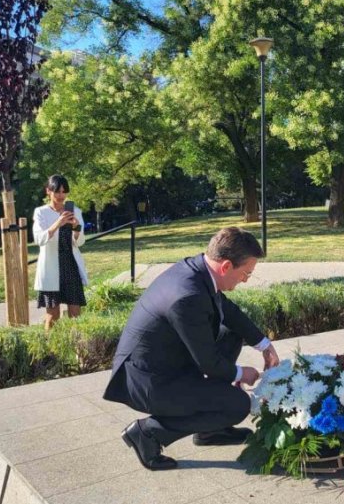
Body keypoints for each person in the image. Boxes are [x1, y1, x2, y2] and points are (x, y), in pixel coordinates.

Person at [103, 227, 280, 471]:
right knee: (238, 404)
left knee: (231, 333)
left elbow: (226, 310)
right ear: (226, 266)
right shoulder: (187, 296)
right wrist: (242, 374)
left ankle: (210, 430)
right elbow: (208, 362)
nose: (246, 279)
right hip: (151, 382)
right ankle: (148, 433)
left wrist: (264, 345)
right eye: (246, 273)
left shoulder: (198, 270)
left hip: (165, 363)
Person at [32, 175, 88, 331]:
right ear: (48, 191)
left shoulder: (75, 211)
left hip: (70, 265)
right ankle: (49, 351)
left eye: (64, 192)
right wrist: (58, 223)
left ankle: (78, 351)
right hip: (50, 268)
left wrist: (76, 227)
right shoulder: (41, 212)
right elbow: (38, 238)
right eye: (57, 192)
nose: (61, 196)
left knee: (76, 314)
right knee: (53, 315)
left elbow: (80, 242)